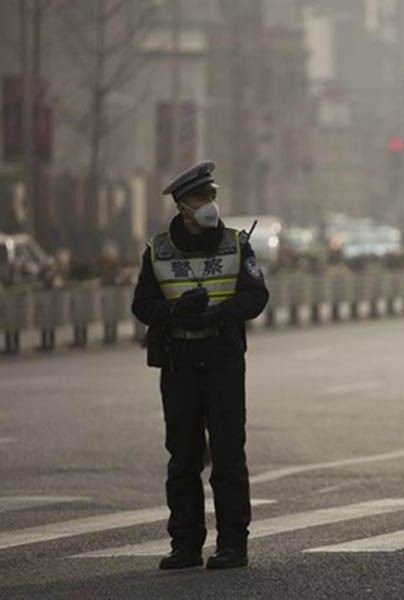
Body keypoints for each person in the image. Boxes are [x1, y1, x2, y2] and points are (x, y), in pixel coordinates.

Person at [132, 160, 269, 570]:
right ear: (182, 206)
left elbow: (255, 296)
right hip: (180, 365)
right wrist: (175, 314)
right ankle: (185, 545)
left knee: (228, 455)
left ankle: (232, 546)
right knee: (184, 456)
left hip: (224, 360)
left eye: (212, 196)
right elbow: (142, 304)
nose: (210, 204)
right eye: (200, 198)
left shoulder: (236, 243)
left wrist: (219, 314)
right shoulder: (157, 250)